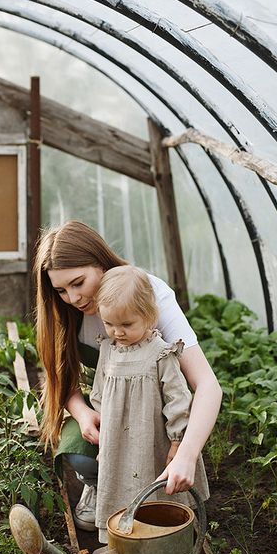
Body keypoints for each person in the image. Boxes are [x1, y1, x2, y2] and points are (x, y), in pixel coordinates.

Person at [34, 220, 221, 531]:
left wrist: (185, 452)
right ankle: (97, 485)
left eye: (79, 282)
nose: (74, 298)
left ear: (101, 261)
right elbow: (60, 378)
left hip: (153, 411)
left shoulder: (148, 296)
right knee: (80, 457)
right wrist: (82, 415)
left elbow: (208, 386)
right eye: (62, 290)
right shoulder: (64, 310)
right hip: (112, 409)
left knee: (154, 461)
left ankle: (164, 500)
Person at [90, 265, 210, 543]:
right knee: (119, 486)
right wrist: (104, 439)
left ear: (149, 316)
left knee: (155, 487)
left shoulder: (160, 353)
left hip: (152, 439)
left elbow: (178, 399)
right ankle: (124, 543)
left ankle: (164, 536)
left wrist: (178, 442)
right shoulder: (107, 351)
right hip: (119, 442)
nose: (117, 332)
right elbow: (99, 395)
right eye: (109, 324)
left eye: (126, 325)